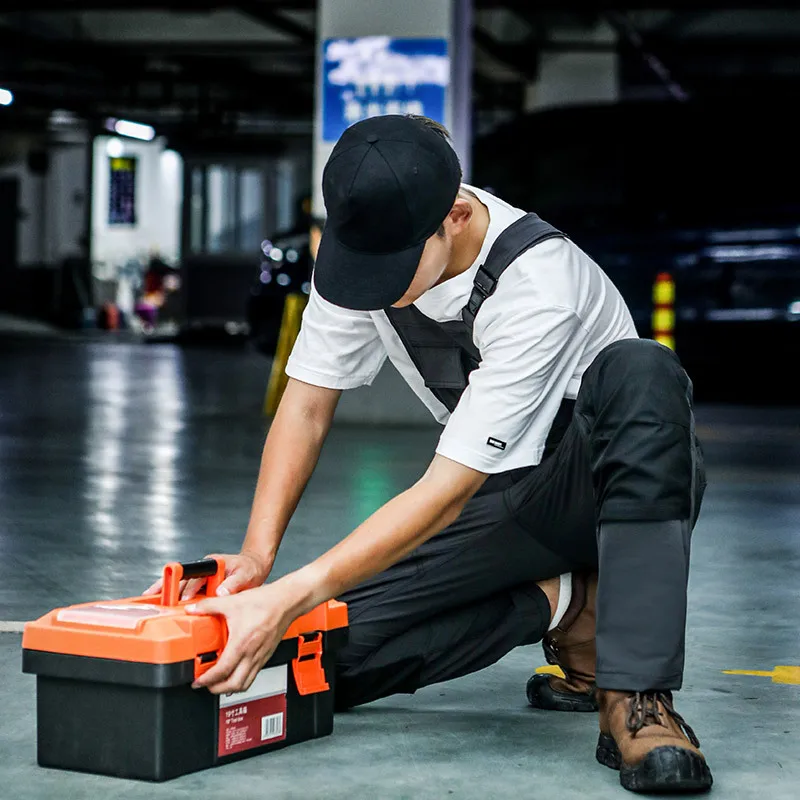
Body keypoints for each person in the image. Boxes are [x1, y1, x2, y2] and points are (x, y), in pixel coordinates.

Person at [146, 115, 712, 794]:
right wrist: (259, 560)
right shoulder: (368, 250)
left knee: (642, 368)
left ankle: (637, 698)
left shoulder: (540, 284)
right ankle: (569, 606)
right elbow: (306, 403)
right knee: (318, 660)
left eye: (389, 271)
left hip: (594, 495)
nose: (371, 288)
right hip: (500, 500)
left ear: (457, 216)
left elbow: (444, 492)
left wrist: (292, 594)